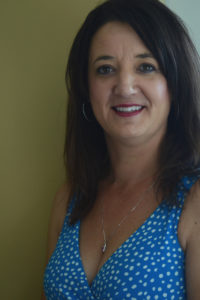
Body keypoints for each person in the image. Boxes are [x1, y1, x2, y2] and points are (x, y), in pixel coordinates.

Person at [41, 0, 200, 299]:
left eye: (146, 66)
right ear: (87, 90)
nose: (125, 86)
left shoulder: (194, 198)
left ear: (174, 84)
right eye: (105, 69)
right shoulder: (69, 199)